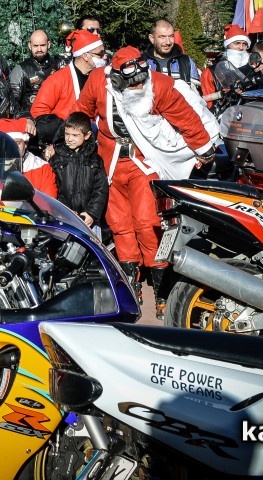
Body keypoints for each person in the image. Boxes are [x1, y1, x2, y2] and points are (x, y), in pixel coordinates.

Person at [76, 46, 215, 318]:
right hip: (109, 161)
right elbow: (82, 112)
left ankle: (162, 288)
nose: (139, 86)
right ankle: (131, 281)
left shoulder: (159, 85)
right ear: (117, 78)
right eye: (133, 82)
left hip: (145, 160)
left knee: (147, 221)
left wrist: (203, 148)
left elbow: (185, 117)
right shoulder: (97, 81)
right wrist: (71, 141)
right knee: (119, 223)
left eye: (142, 80)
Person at [30, 29, 105, 146]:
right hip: (65, 143)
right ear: (85, 56)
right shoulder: (57, 79)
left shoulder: (101, 78)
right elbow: (38, 112)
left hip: (93, 140)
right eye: (100, 54)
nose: (104, 58)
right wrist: (62, 134)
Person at [46, 112, 108, 236]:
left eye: (75, 135)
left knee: (91, 247)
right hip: (64, 218)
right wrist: (66, 211)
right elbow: (54, 188)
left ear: (87, 135)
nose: (69, 139)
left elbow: (101, 189)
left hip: (89, 220)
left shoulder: (95, 159)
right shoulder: (56, 160)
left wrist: (92, 213)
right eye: (67, 134)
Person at [10, 29, 65, 117]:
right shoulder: (21, 70)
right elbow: (12, 103)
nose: (39, 49)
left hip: (58, 117)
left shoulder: (59, 65)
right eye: (35, 46)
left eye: (42, 45)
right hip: (33, 119)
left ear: (48, 44)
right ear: (29, 46)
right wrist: (27, 119)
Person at [0, 117, 58, 198]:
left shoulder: (43, 168)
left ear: (25, 143)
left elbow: (49, 200)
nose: (13, 148)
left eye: (17, 143)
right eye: (8, 144)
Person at [143, 19, 201, 95]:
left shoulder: (187, 62)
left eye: (171, 36)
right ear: (152, 38)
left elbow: (196, 96)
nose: (168, 42)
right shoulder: (143, 62)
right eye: (162, 37)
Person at [201, 24, 252, 98]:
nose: (241, 48)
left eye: (244, 44)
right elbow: (208, 101)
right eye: (237, 43)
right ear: (227, 45)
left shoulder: (253, 69)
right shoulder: (210, 72)